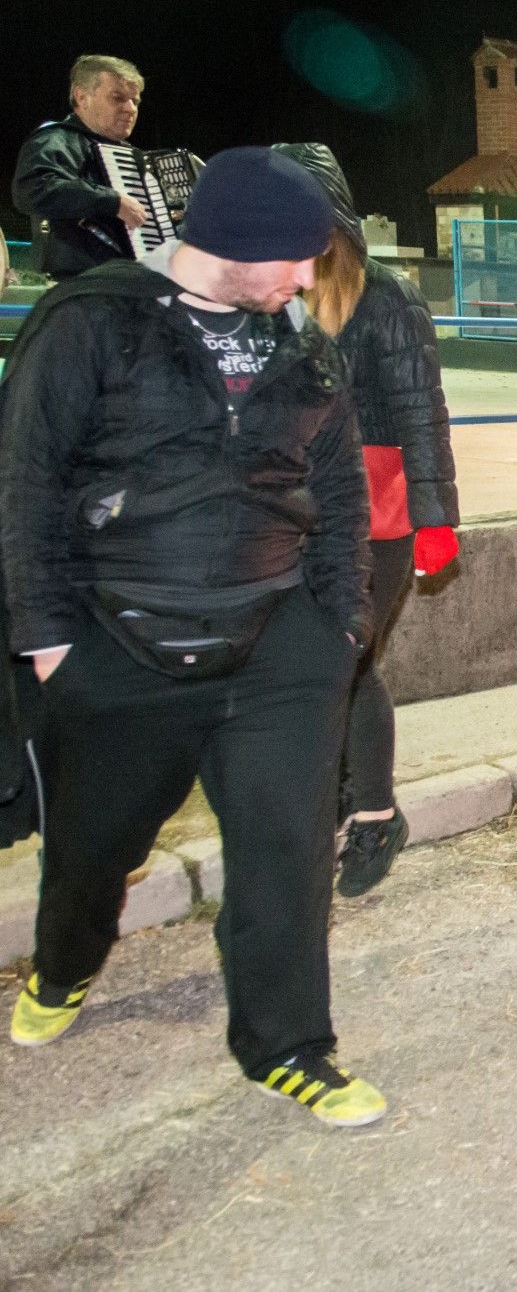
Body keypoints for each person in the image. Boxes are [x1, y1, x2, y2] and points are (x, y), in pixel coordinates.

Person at [2, 148, 385, 1126]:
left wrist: (340, 623)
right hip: (117, 641)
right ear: (236, 242)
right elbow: (28, 480)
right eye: (296, 258)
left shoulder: (301, 345)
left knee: (286, 850)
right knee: (94, 846)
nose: (308, 278)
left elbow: (339, 491)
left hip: (278, 647)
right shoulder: (94, 320)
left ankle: (292, 1045)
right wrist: (48, 641)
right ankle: (64, 965)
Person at [274, 144, 460, 898]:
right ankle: (345, 799)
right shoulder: (276, 291)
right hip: (299, 504)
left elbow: (421, 408)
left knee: (347, 661)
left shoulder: (385, 294)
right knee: (319, 667)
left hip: (379, 507)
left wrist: (435, 517)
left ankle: (377, 813)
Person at [12, 56, 150, 280]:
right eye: (118, 98)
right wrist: (113, 201)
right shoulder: (56, 139)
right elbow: (33, 189)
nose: (130, 108)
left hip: (125, 286)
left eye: (135, 101)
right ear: (82, 97)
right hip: (78, 288)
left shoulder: (133, 156)